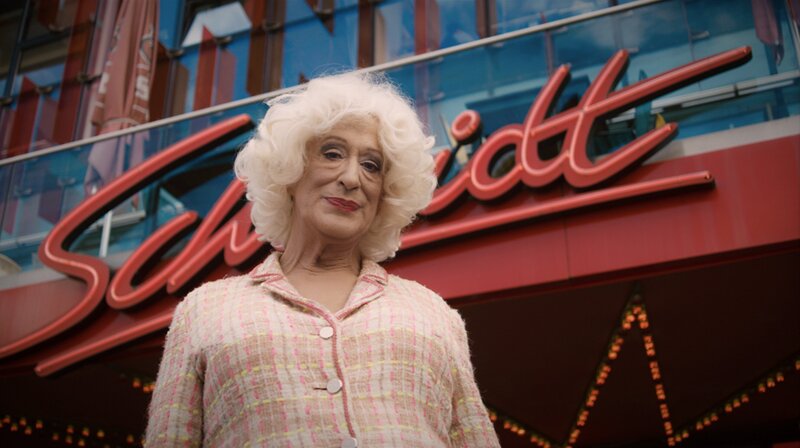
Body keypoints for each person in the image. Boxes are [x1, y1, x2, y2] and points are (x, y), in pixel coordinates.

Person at [144, 72, 500, 447]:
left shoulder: (434, 313)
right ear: (290, 169)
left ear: (386, 192)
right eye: (332, 154)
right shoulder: (204, 311)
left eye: (372, 165)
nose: (352, 178)